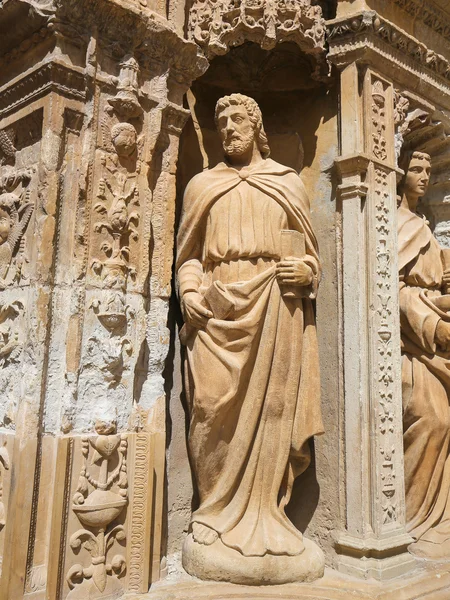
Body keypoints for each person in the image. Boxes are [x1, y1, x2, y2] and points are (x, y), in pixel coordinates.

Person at [176, 93, 324, 582]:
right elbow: (189, 256)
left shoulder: (286, 184)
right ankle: (214, 513)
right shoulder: (202, 185)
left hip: (276, 308)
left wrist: (305, 270)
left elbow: (311, 256)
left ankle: (268, 516)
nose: (228, 128)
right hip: (218, 313)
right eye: (220, 121)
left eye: (237, 119)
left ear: (257, 125)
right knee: (211, 408)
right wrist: (189, 288)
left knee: (273, 414)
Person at [398, 150, 450, 558]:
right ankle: (414, 520)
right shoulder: (396, 224)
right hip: (409, 344)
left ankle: (439, 518)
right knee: (431, 418)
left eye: (429, 170)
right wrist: (435, 325)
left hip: (432, 338)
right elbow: (394, 291)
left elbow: (433, 288)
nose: (424, 177)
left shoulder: (425, 227)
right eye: (416, 169)